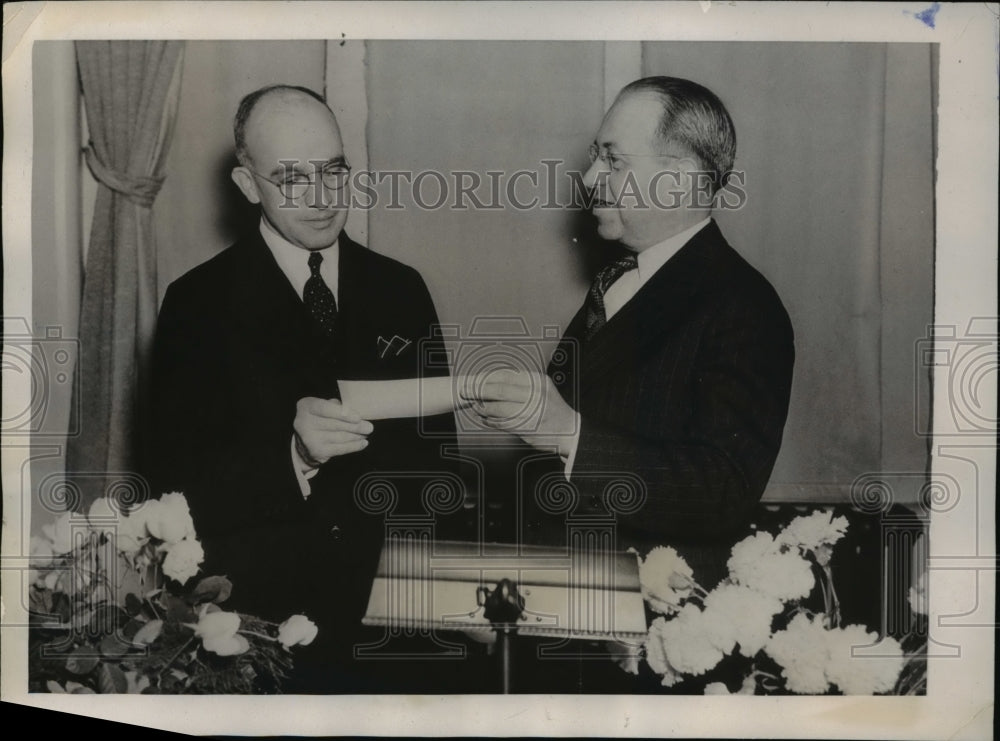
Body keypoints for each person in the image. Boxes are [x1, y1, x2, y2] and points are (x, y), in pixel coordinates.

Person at [149, 85, 462, 692]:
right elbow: (176, 491)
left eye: (333, 172)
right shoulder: (197, 304)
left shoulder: (401, 290)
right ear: (246, 185)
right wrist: (293, 458)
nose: (321, 199)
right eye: (292, 178)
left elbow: (437, 469)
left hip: (394, 633)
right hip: (259, 637)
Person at [470, 76, 795, 591]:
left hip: (643, 618)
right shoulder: (625, 279)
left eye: (614, 161)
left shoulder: (742, 305)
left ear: (679, 179)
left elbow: (723, 489)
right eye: (594, 156)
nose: (589, 177)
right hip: (570, 596)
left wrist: (564, 431)